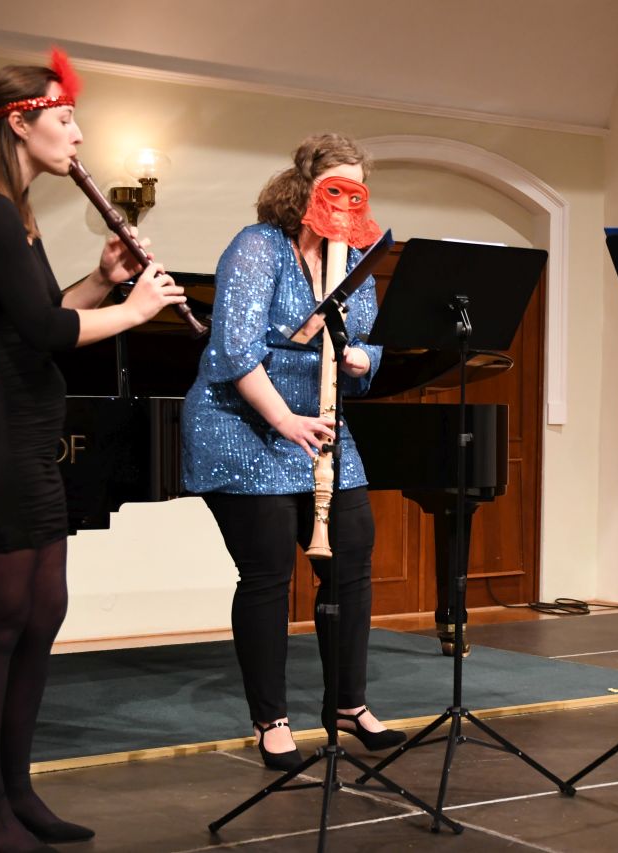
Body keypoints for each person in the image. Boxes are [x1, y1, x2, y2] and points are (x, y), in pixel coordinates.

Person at [0, 51, 187, 853]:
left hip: (27, 438)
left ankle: (15, 792)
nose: (77, 135)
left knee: (41, 615)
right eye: (65, 118)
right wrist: (138, 309)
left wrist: (103, 280)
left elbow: (41, 311)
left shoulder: (15, 210)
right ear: (20, 121)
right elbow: (46, 332)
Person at [182, 133, 405, 772]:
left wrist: (362, 359)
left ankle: (348, 704)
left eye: (358, 190)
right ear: (306, 188)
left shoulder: (354, 261)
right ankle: (271, 720)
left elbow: (369, 341)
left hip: (323, 424)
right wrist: (284, 420)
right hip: (245, 424)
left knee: (352, 559)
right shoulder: (259, 247)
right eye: (337, 187)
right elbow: (233, 348)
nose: (349, 200)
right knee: (268, 571)